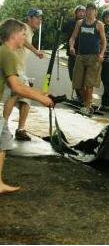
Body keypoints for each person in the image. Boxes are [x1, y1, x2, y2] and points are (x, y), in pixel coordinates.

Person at [0, 18, 54, 195]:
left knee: (4, 140)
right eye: (23, 35)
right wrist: (41, 98)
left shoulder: (7, 53)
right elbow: (16, 87)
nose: (25, 38)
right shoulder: (7, 54)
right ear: (14, 35)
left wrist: (40, 94)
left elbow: (19, 86)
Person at [3, 8, 45, 142]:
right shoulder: (25, 27)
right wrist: (35, 51)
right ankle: (4, 127)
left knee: (24, 100)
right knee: (14, 96)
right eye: (37, 17)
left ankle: (19, 129)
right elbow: (24, 41)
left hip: (19, 69)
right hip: (15, 69)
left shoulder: (28, 30)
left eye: (40, 18)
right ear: (29, 18)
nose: (40, 20)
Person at [69, 3, 106, 115]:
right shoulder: (80, 23)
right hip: (80, 56)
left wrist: (101, 54)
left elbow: (104, 42)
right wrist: (71, 46)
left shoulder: (99, 24)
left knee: (89, 84)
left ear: (95, 12)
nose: (89, 12)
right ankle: (87, 102)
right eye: (88, 10)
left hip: (94, 57)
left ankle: (87, 106)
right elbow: (73, 37)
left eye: (92, 10)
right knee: (78, 84)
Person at [62, 5, 86, 100]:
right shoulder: (70, 23)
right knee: (72, 76)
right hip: (72, 54)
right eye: (79, 11)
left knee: (81, 78)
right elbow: (62, 29)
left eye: (83, 11)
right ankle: (79, 96)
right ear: (75, 13)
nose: (81, 13)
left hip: (83, 54)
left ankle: (82, 97)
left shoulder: (87, 23)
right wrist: (62, 18)